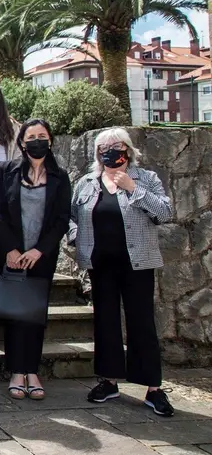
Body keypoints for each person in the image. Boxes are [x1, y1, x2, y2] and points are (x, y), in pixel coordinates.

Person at [72, 128, 175, 416]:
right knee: (105, 322)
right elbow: (70, 217)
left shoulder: (146, 179)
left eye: (116, 146)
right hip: (101, 263)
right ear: (97, 153)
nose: (110, 151)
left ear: (127, 150)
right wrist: (75, 237)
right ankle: (108, 381)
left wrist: (132, 187)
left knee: (142, 322)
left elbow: (165, 213)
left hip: (137, 263)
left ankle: (153, 388)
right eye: (104, 147)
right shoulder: (87, 183)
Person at [0, 119, 72, 401]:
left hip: (41, 257)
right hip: (10, 255)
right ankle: (16, 371)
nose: (37, 141)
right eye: (31, 136)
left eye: (42, 136)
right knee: (15, 315)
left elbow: (62, 220)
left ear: (50, 140)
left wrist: (40, 251)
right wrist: (10, 249)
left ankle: (32, 371)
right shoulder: (6, 171)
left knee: (35, 315)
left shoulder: (60, 176)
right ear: (22, 143)